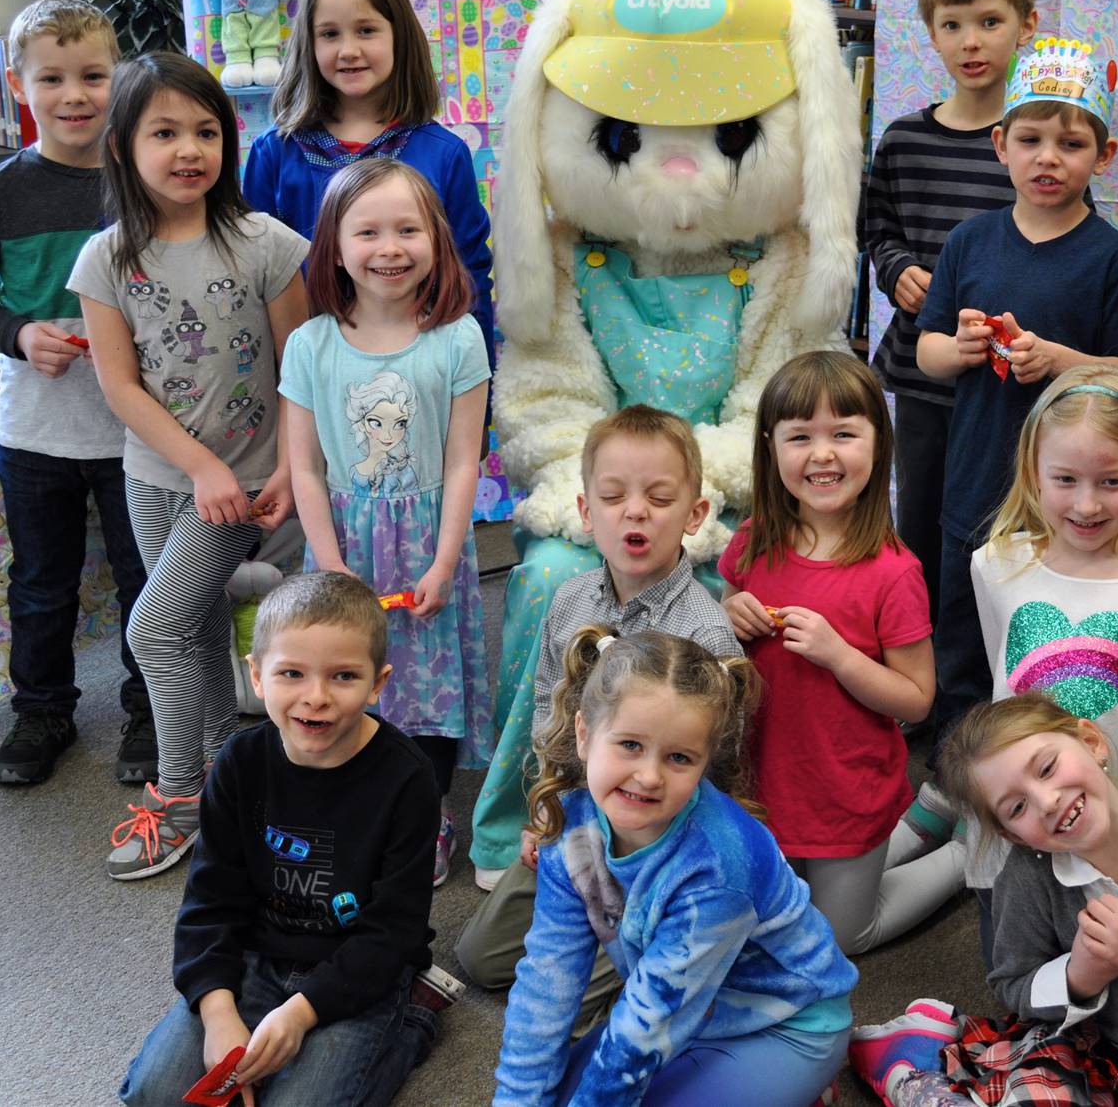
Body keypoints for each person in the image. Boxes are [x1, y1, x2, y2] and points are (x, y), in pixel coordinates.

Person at [70, 52, 309, 880]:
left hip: (238, 486)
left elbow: (299, 369)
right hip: (156, 477)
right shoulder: (105, 257)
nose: (188, 149)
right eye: (164, 132)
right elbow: (119, 387)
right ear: (124, 148)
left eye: (206, 131)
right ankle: (220, 777)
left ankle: (175, 799)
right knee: (196, 626)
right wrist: (196, 463)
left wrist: (285, 466)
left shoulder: (266, 242)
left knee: (154, 628)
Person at [884, 364, 1118, 958]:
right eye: (1066, 479)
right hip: (1009, 835)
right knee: (1014, 966)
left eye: (1111, 482)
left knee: (1106, 971)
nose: (1086, 504)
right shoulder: (996, 566)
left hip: (1110, 835)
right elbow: (1002, 687)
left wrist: (1115, 779)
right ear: (1033, 472)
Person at [118, 571, 461, 1107]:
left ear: (378, 682)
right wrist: (218, 1011)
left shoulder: (409, 779)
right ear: (257, 676)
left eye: (344, 676)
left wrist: (301, 1013)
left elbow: (392, 931)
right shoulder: (239, 763)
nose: (316, 698)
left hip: (359, 971)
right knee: (154, 1094)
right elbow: (209, 903)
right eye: (292, 673)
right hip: (255, 958)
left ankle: (414, 1022)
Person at [848, 695, 1118, 1107]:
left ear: (1092, 742)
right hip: (1059, 1049)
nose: (1046, 801)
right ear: (1009, 835)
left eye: (1046, 768)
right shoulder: (1029, 870)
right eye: (1016, 808)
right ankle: (914, 1066)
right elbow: (1011, 983)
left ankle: (939, 1045)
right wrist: (1080, 975)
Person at [456, 405, 742, 1024]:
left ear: (695, 516)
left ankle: (663, 945)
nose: (634, 511)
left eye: (658, 498)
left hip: (665, 844)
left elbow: (720, 768)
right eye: (613, 496)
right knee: (479, 958)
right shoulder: (569, 602)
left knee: (561, 1013)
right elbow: (548, 717)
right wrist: (545, 814)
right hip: (582, 826)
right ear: (587, 512)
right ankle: (606, 932)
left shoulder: (705, 630)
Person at [913, 37, 1118, 783]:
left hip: (1064, 501)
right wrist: (961, 345)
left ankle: (1041, 767)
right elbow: (924, 354)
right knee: (960, 636)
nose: (1050, 157)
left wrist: (1059, 362)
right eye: (1031, 139)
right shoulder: (970, 241)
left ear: (1103, 155)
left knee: (1038, 642)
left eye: (1071, 143)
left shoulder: (1115, 256)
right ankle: (958, 777)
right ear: (1000, 145)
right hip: (975, 482)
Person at [492, 627, 858, 1107]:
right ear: (585, 734)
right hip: (689, 1007)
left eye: (679, 758)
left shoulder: (721, 866)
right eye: (629, 745)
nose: (648, 776)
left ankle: (802, 1084)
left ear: (705, 763)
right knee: (555, 1094)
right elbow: (548, 983)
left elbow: (644, 1031)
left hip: (786, 1026)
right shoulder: (572, 826)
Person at [0, 0, 155, 787]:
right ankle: (42, 711)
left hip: (135, 431)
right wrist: (21, 334)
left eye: (94, 76)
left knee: (145, 578)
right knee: (39, 581)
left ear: (118, 79)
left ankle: (149, 708)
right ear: (19, 84)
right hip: (33, 432)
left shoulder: (146, 179)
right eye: (53, 78)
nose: (76, 95)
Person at [277, 157, 492, 888]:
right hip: (343, 546)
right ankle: (357, 810)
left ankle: (425, 818)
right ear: (335, 246)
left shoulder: (459, 338)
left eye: (408, 229)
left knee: (425, 702)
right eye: (368, 231)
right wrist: (332, 564)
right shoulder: (310, 345)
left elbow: (465, 461)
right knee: (345, 685)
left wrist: (442, 561)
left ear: (436, 238)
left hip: (429, 546)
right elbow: (305, 467)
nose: (389, 247)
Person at [719, 351, 937, 954]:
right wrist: (727, 609)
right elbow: (727, 593)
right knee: (769, 922)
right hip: (764, 785)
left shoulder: (894, 573)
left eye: (844, 433)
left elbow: (917, 700)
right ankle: (921, 826)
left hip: (845, 791)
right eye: (800, 437)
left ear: (877, 441)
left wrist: (840, 655)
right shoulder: (754, 537)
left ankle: (967, 856)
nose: (823, 454)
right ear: (771, 447)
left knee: (840, 935)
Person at [865, 0, 1040, 623]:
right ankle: (922, 661)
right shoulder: (906, 140)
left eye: (990, 22)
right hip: (923, 374)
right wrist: (898, 269)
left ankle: (994, 665)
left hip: (1006, 378)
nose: (972, 42)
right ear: (931, 34)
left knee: (1002, 524)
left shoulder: (1036, 141)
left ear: (1026, 26)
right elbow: (876, 230)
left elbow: (1061, 239)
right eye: (952, 25)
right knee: (924, 517)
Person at [243, 0, 494, 368]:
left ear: (399, 36)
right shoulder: (274, 153)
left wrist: (474, 403)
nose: (348, 50)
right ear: (309, 43)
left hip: (422, 377)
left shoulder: (445, 154)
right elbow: (253, 282)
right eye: (329, 34)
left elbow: (470, 281)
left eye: (366, 30)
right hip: (310, 382)